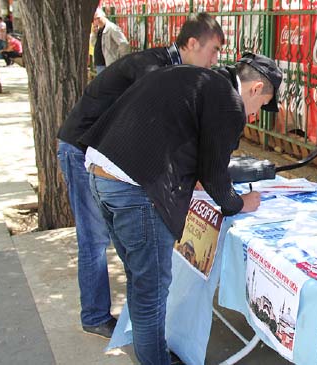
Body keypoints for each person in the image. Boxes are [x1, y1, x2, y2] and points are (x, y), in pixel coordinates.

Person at [79, 53, 282, 365]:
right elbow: (216, 174)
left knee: (140, 280)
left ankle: (152, 354)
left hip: (101, 173)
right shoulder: (228, 99)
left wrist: (192, 177)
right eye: (260, 106)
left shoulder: (196, 77)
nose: (254, 116)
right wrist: (240, 204)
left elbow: (175, 136)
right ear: (255, 89)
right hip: (135, 189)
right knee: (150, 293)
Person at [56, 13, 224, 340]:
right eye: (213, 51)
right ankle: (94, 315)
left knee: (132, 243)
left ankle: (141, 317)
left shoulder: (172, 68)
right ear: (191, 44)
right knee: (94, 239)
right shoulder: (154, 69)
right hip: (82, 149)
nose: (215, 60)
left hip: (102, 152)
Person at [90, 8, 129, 73]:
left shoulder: (111, 28)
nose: (96, 21)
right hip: (99, 64)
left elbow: (124, 43)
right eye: (94, 19)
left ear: (104, 16)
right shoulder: (99, 29)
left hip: (108, 64)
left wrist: (120, 60)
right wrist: (94, 33)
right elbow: (93, 43)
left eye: (98, 18)